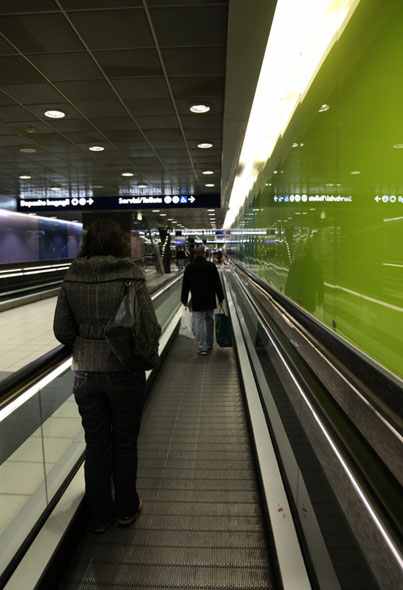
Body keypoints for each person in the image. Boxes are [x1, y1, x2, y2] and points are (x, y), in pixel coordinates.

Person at [53, 219, 161, 533]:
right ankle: (126, 508)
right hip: (125, 370)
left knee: (96, 443)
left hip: (85, 372)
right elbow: (147, 325)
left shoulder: (71, 278)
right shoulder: (131, 275)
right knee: (125, 442)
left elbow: (62, 330)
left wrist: (86, 342)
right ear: (118, 245)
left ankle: (99, 515)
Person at [181, 245, 224, 355]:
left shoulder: (190, 267)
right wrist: (220, 298)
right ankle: (209, 344)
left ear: (195, 254)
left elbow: (185, 285)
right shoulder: (211, 266)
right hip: (210, 299)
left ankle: (202, 347)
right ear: (204, 254)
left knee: (199, 323)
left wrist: (184, 299)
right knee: (209, 321)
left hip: (197, 300)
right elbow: (217, 283)